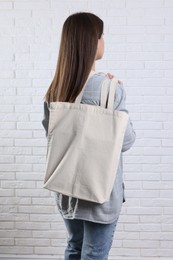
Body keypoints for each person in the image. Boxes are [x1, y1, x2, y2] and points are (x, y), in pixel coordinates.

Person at [42, 12, 136, 260]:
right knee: (94, 254)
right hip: (98, 192)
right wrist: (118, 93)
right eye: (101, 35)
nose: (104, 40)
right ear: (92, 41)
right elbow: (126, 141)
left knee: (75, 246)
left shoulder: (55, 89)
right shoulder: (109, 87)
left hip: (66, 190)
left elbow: (53, 137)